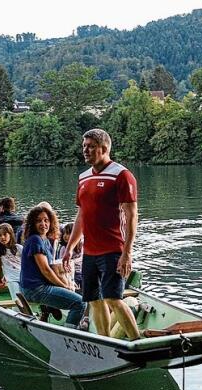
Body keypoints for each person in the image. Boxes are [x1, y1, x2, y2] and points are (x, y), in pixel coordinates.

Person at [62, 128, 141, 340]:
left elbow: (132, 216)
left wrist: (127, 253)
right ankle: (104, 341)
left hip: (114, 250)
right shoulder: (83, 177)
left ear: (104, 148)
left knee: (113, 298)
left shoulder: (122, 175)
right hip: (90, 252)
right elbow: (81, 216)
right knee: (94, 300)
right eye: (84, 146)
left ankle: (137, 341)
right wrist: (69, 248)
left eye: (91, 146)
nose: (85, 150)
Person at [20, 205, 86, 327]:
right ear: (32, 223)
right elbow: (46, 270)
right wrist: (64, 286)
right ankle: (69, 334)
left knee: (77, 292)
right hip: (35, 289)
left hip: (39, 286)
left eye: (46, 220)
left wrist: (67, 277)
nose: (43, 224)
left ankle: (48, 309)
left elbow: (52, 267)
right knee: (80, 303)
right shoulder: (35, 240)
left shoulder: (45, 239)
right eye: (38, 221)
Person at [0, 223, 23, 300]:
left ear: (10, 235)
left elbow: (27, 264)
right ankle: (16, 312)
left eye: (5, 234)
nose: (2, 237)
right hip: (11, 279)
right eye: (0, 235)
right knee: (16, 299)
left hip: (23, 277)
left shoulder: (19, 248)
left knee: (24, 298)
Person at [58, 223, 83, 293]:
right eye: (64, 233)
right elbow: (61, 263)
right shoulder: (63, 248)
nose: (65, 236)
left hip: (82, 272)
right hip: (71, 274)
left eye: (68, 233)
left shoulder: (81, 246)